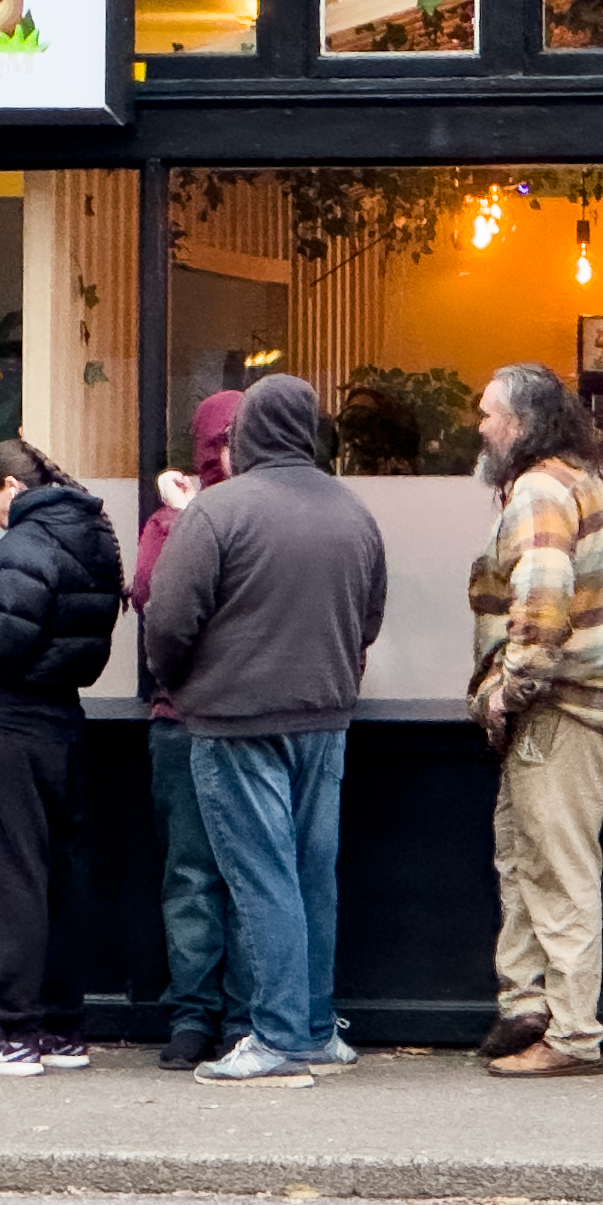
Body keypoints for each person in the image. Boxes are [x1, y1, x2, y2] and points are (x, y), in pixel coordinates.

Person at [140, 375, 388, 1088]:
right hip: (324, 718)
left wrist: (185, 686)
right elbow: (369, 616)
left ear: (247, 433)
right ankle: (314, 1026)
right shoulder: (353, 512)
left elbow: (168, 620)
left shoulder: (218, 513)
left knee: (261, 875)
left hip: (234, 720)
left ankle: (274, 1036)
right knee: (312, 875)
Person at [467, 361, 603, 1078]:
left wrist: (505, 692)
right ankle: (528, 1007)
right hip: (587, 701)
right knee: (524, 858)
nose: (480, 427)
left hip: (563, 706)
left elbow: (541, 609)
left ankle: (570, 1035)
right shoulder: (580, 478)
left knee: (554, 869)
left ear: (518, 423)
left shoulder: (540, 490)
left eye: (488, 413)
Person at [0, 437, 125, 1077]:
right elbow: (57, 627)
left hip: (14, 725)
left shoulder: (20, 542)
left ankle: (14, 1033)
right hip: (65, 721)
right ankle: (64, 1029)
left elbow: (5, 650)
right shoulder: (94, 535)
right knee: (61, 877)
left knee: (15, 874)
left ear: (12, 489)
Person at [133, 388, 246, 1070]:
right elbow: (149, 595)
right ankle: (194, 1014)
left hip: (244, 716)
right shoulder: (166, 522)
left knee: (247, 876)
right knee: (192, 876)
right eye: (227, 437)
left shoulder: (268, 510)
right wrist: (185, 521)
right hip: (181, 721)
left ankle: (243, 1016)